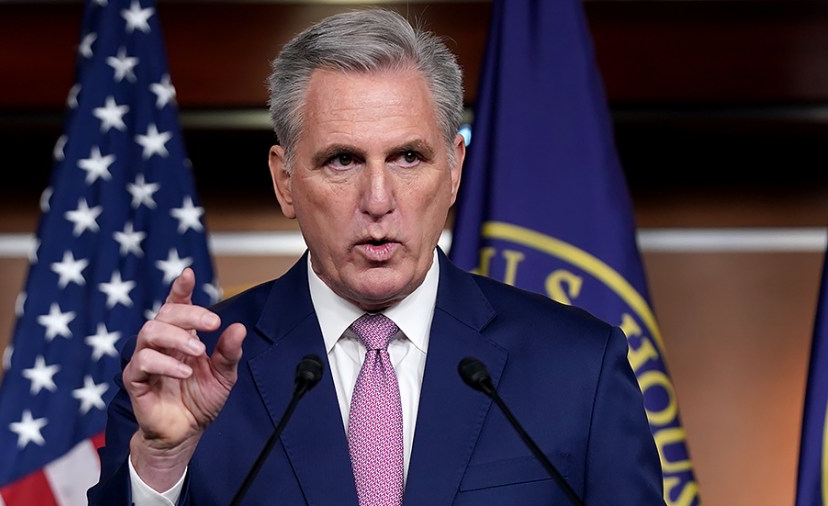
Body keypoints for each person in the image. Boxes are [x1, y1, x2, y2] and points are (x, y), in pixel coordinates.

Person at [88, 8, 664, 505]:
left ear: (456, 168)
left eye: (409, 157)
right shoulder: (185, 376)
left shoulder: (579, 369)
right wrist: (161, 465)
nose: (379, 200)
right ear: (285, 182)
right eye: (342, 161)